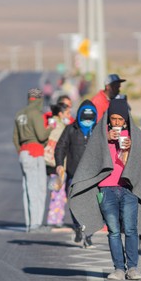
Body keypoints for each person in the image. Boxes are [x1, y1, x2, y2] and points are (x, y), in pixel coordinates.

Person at [69, 99, 141, 281]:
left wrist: (129, 150)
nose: (117, 123)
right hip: (107, 190)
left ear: (126, 119)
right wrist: (106, 141)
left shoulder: (135, 135)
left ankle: (133, 268)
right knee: (112, 230)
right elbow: (91, 160)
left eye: (120, 119)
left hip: (128, 190)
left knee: (130, 229)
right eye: (113, 119)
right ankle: (118, 268)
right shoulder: (100, 134)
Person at [55, 100, 98, 247]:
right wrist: (59, 164)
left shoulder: (99, 131)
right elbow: (60, 147)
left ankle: (89, 234)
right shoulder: (70, 129)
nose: (87, 121)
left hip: (93, 176)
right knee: (74, 204)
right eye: (84, 117)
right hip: (74, 173)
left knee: (92, 206)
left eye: (90, 117)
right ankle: (78, 227)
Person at [13, 88, 53, 232]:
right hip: (35, 152)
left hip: (24, 153)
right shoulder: (35, 114)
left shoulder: (19, 114)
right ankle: (36, 224)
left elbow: (15, 138)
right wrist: (50, 128)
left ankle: (30, 223)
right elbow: (42, 135)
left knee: (27, 188)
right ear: (39, 100)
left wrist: (21, 151)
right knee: (39, 188)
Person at [44, 102, 72, 228]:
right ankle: (54, 218)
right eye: (67, 113)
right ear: (60, 114)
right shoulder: (57, 125)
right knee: (57, 192)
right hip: (57, 164)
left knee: (58, 191)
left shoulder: (56, 123)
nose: (69, 115)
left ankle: (56, 217)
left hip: (55, 164)